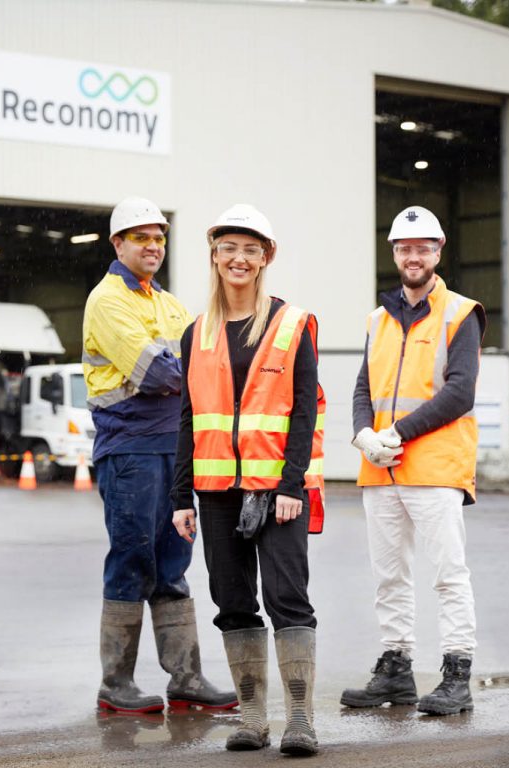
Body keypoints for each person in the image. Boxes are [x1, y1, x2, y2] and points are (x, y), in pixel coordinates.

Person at [171, 204, 326, 755]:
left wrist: (291, 484)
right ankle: (253, 719)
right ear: (214, 256)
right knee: (232, 600)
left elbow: (305, 408)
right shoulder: (197, 333)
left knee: (288, 598)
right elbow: (189, 417)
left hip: (276, 488)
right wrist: (180, 495)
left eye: (251, 249)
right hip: (215, 492)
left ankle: (301, 719)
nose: (239, 258)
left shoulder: (291, 324)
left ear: (266, 259)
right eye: (229, 248)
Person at [83, 196, 237, 714]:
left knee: (173, 563)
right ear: (118, 244)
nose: (153, 246)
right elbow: (162, 374)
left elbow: (209, 362)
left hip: (174, 449)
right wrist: (186, 368)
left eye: (159, 238)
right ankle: (115, 683)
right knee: (132, 559)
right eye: (141, 237)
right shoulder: (108, 301)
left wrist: (190, 369)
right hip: (129, 449)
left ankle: (186, 677)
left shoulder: (168, 304)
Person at [341, 205, 485, 717]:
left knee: (448, 574)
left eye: (423, 247)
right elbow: (363, 386)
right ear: (395, 254)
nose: (413, 256)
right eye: (405, 248)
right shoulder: (378, 319)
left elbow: (461, 391)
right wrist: (362, 434)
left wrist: (396, 432)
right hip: (380, 468)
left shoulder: (460, 313)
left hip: (436, 467)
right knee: (389, 576)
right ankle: (396, 672)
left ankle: (457, 676)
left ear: (438, 251)